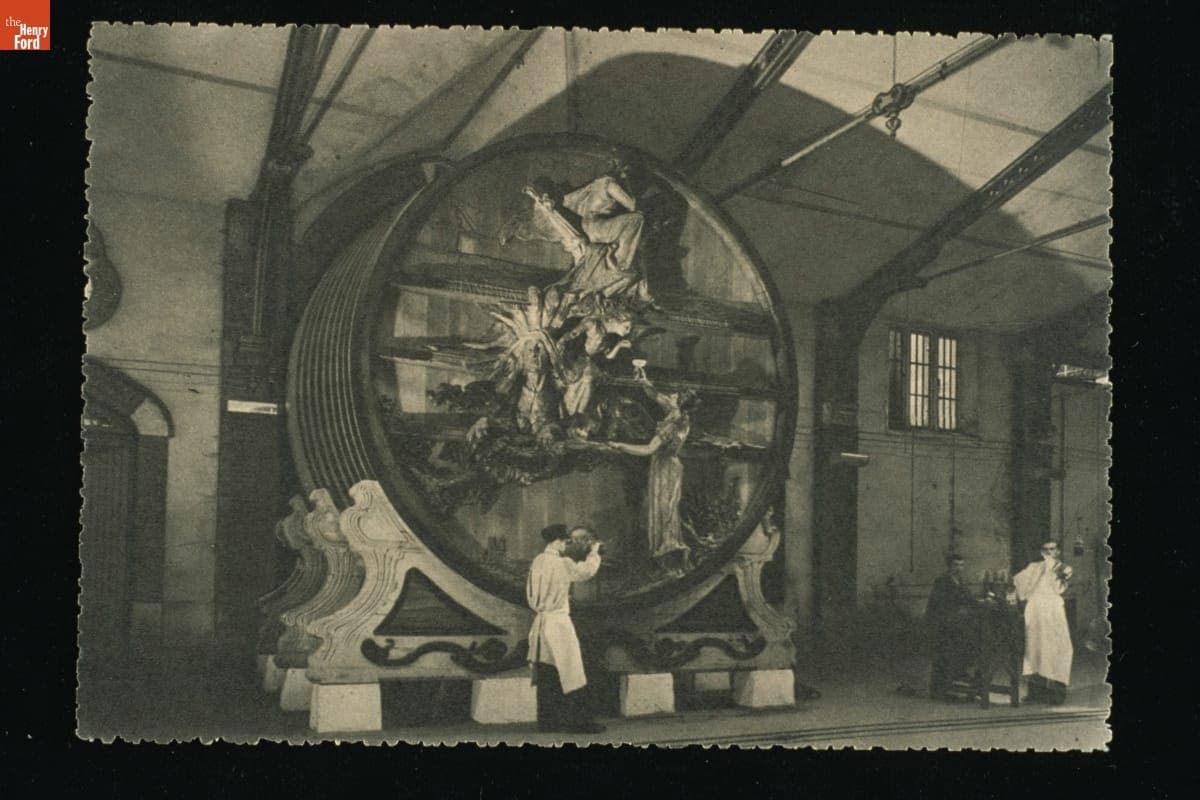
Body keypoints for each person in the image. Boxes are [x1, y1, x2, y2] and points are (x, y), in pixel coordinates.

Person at [605, 369, 699, 576]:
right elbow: (656, 396)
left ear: (679, 402)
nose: (670, 396)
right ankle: (665, 556)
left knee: (664, 512)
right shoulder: (679, 413)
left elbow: (648, 450)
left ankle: (669, 557)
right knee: (663, 510)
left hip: (665, 467)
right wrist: (643, 380)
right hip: (667, 465)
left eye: (674, 395)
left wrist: (621, 445)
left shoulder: (673, 424)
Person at [526, 524, 605, 733]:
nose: (566, 545)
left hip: (541, 621)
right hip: (558, 622)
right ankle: (580, 722)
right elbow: (586, 571)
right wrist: (594, 553)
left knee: (547, 672)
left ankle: (548, 722)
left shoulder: (538, 561)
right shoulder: (562, 563)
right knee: (572, 671)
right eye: (565, 542)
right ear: (558, 542)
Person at [1012, 540, 1074, 704]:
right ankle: (1036, 692)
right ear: (1041, 551)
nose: (1048, 552)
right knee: (1035, 649)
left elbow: (1059, 587)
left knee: (1057, 648)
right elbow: (1019, 583)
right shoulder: (1034, 567)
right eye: (1045, 549)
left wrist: (1054, 569)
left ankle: (1057, 693)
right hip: (1035, 611)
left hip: (1053, 612)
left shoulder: (1064, 568)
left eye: (1052, 549)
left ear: (1058, 551)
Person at [924, 553, 980, 700]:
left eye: (961, 565)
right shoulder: (942, 581)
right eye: (956, 565)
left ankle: (950, 685)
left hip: (953, 624)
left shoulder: (959, 580)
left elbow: (968, 597)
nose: (959, 568)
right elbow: (940, 603)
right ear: (949, 566)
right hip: (942, 624)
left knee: (953, 654)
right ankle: (937, 691)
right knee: (942, 657)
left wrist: (980, 602)